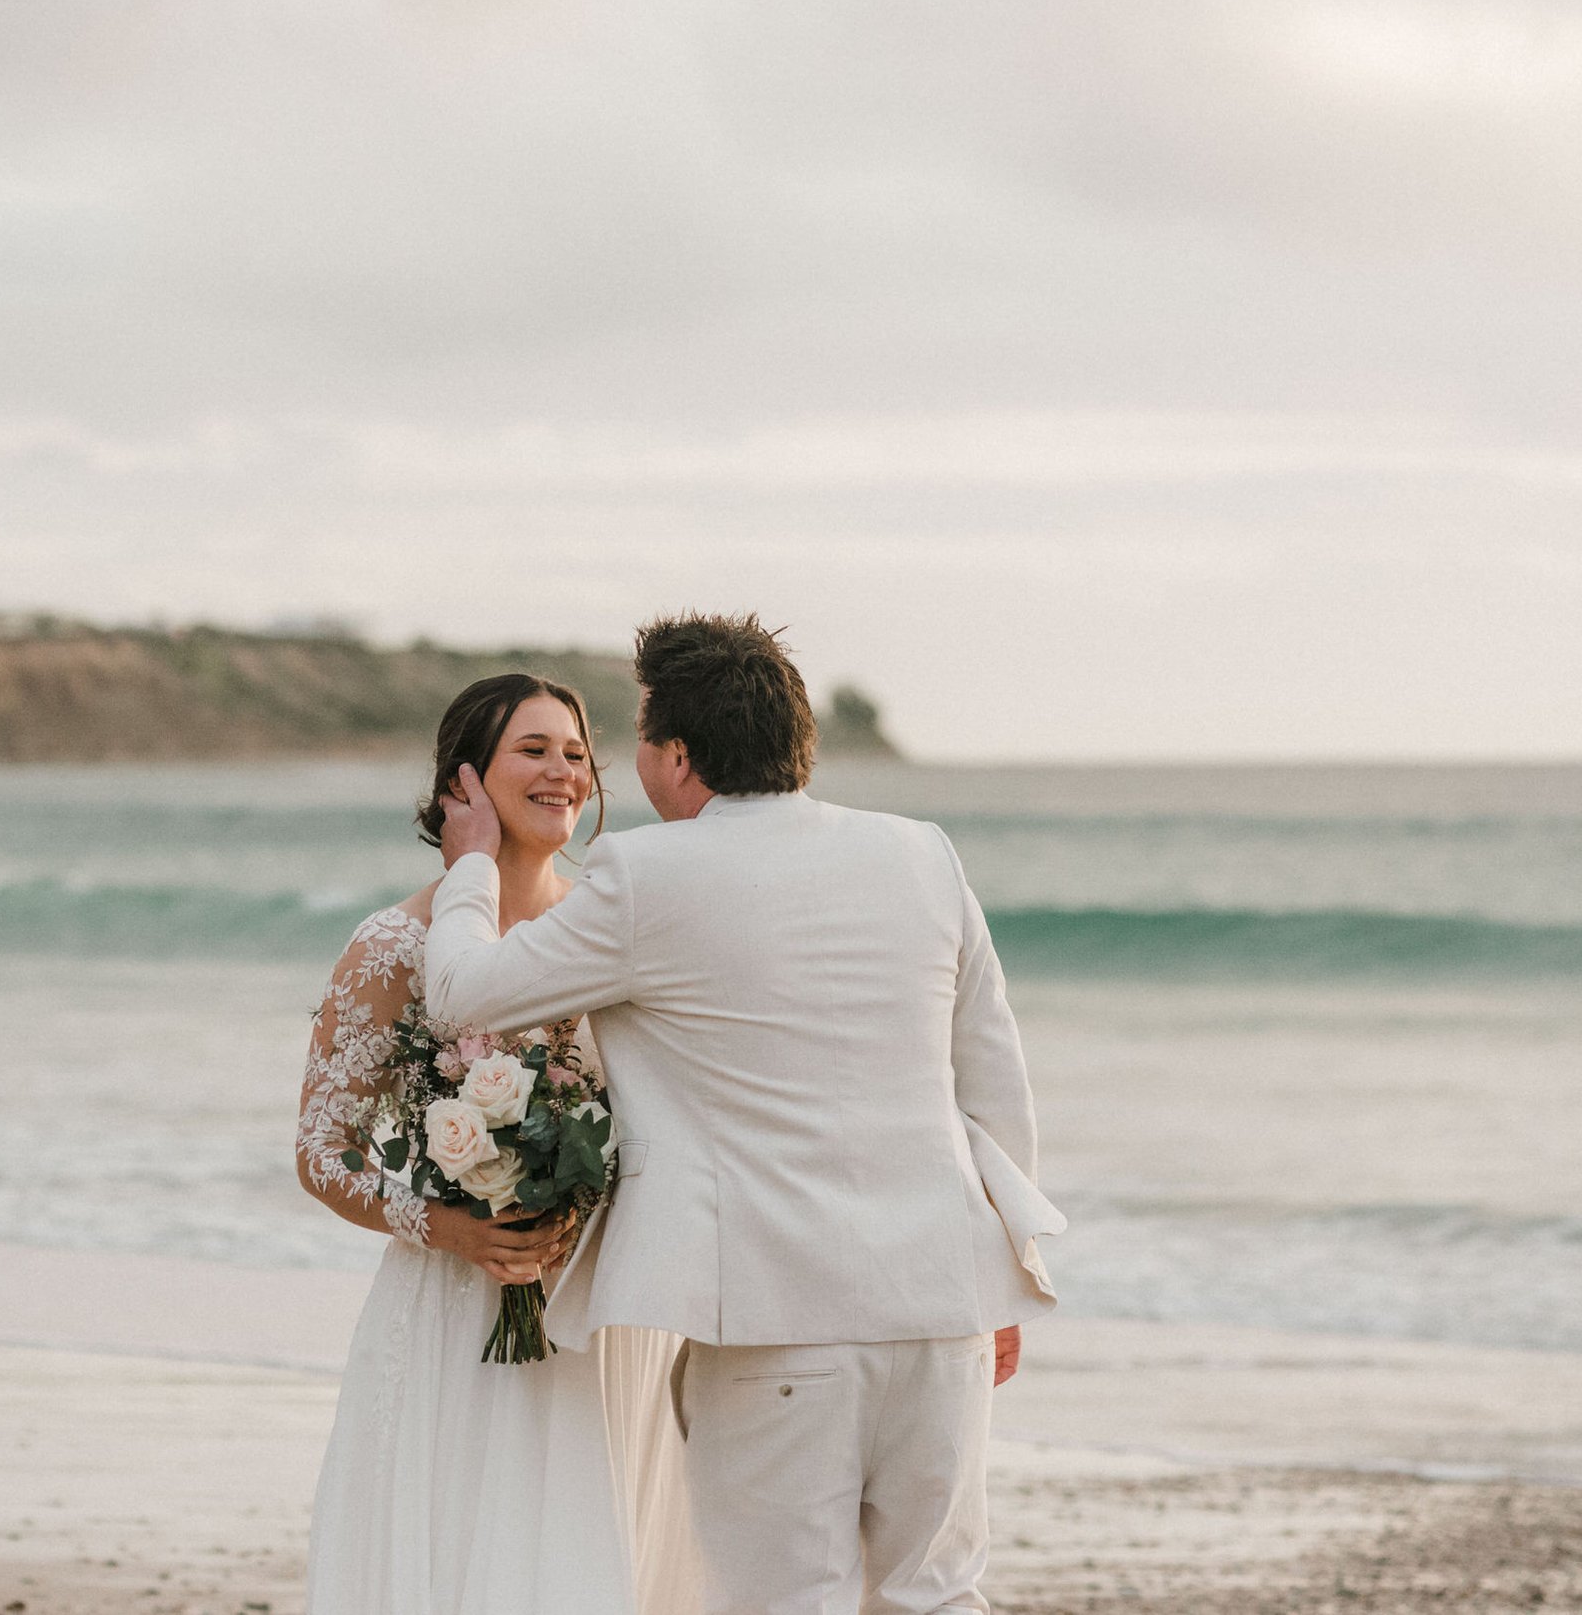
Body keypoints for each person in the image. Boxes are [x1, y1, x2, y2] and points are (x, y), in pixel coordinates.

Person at [425, 614, 1065, 1615]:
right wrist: (1008, 1272)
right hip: (943, 1305)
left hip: (776, 1326)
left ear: (675, 754)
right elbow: (991, 1076)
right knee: (937, 1596)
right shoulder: (920, 855)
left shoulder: (646, 875)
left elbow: (464, 995)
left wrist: (470, 862)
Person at [297, 673, 697, 1615]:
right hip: (460, 1313)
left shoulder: (610, 925)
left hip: (607, 1308)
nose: (563, 770)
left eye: (576, 753)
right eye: (534, 749)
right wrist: (452, 1225)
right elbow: (323, 1149)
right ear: (463, 782)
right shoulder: (395, 944)